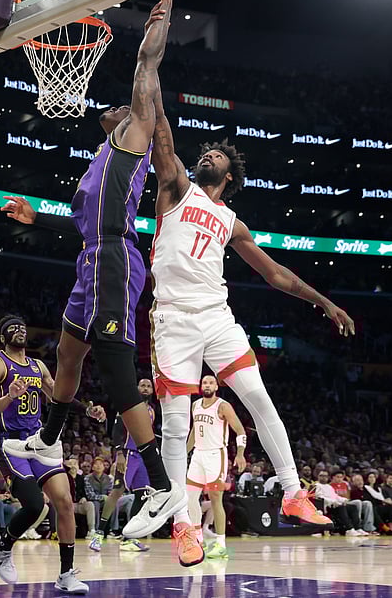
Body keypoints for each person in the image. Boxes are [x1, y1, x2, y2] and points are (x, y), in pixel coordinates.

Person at [0, 0, 187, 551]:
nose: (108, 109)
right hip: (89, 260)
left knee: (112, 368)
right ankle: (49, 438)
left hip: (114, 263)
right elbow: (87, 224)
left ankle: (160, 486)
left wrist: (164, 5)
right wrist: (39, 220)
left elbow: (147, 69)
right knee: (67, 351)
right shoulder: (99, 159)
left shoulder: (134, 132)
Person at [138, 71, 355, 555]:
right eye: (205, 154)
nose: (206, 157)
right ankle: (182, 525)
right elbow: (162, 133)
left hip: (216, 316)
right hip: (173, 320)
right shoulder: (174, 187)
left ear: (229, 177)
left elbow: (276, 275)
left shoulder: (231, 221)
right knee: (175, 425)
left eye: (216, 156)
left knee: (259, 398)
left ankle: (294, 493)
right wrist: (150, 75)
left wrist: (324, 301)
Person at [0, 314, 104, 594]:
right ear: (2, 337)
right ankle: (4, 546)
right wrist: (9, 395)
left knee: (64, 502)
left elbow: (60, 395)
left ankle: (66, 574)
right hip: (9, 443)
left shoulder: (38, 366)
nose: (20, 330)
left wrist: (87, 409)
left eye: (23, 327)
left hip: (39, 441)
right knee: (36, 505)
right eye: (12, 328)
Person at [89, 380, 157, 554]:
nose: (146, 388)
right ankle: (98, 534)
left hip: (142, 456)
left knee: (141, 496)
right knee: (117, 491)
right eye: (143, 385)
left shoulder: (151, 411)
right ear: (137, 388)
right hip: (127, 454)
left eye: (149, 386)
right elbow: (117, 430)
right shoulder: (128, 405)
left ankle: (129, 538)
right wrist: (119, 454)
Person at [185, 372, 246, 558]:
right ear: (200, 386)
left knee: (215, 498)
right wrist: (184, 453)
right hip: (198, 455)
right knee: (190, 499)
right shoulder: (195, 405)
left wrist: (241, 454)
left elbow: (240, 430)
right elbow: (194, 432)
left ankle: (220, 544)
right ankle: (197, 539)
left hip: (215, 454)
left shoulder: (223, 406)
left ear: (216, 387)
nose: (208, 385)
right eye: (205, 382)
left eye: (211, 382)